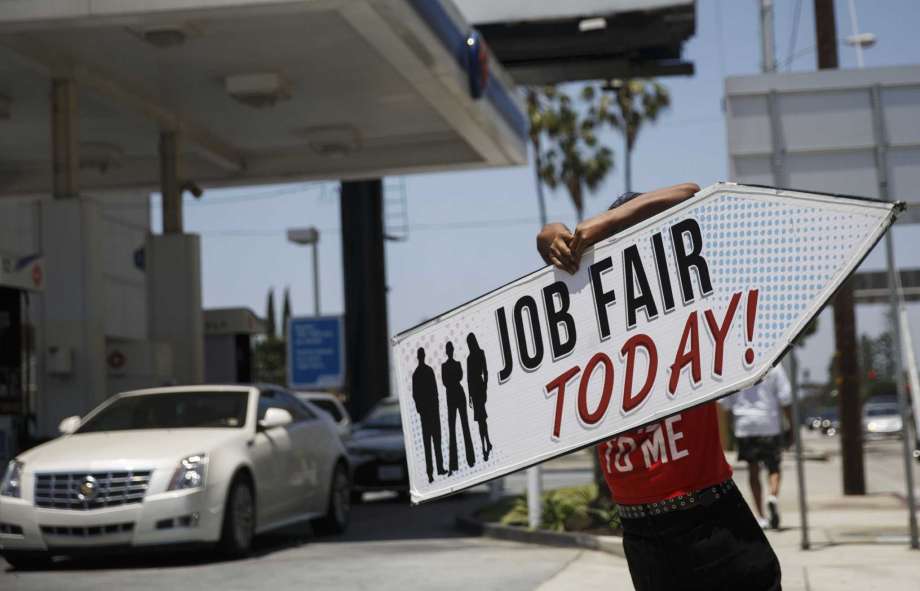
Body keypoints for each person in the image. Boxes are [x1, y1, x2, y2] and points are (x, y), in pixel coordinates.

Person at [537, 183, 781, 591]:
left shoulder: (684, 309)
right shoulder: (588, 327)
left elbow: (690, 193)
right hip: (643, 538)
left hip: (712, 524)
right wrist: (549, 232)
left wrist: (609, 221)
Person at [719, 365, 792, 529]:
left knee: (753, 470)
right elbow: (785, 397)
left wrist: (729, 431)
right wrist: (791, 425)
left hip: (745, 425)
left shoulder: (735, 366)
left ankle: (760, 516)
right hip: (769, 423)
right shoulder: (773, 364)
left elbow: (725, 403)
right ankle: (772, 496)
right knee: (774, 466)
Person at [411, 347, 446, 483]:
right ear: (421, 356)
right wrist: (421, 409)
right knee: (430, 443)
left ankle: (438, 469)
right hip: (427, 412)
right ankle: (432, 471)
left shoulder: (423, 372)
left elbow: (434, 391)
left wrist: (433, 408)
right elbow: (416, 394)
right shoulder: (420, 373)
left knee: (435, 441)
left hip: (431, 411)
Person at [442, 341, 475, 473]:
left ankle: (470, 459)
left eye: (450, 349)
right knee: (453, 429)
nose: (449, 351)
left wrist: (452, 381)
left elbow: (458, 377)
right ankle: (454, 464)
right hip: (453, 395)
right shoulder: (446, 366)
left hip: (456, 394)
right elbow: (447, 381)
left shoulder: (456, 364)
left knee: (464, 426)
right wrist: (453, 380)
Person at [465, 332, 493, 461]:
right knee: (482, 419)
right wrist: (485, 387)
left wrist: (471, 395)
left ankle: (485, 445)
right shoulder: (477, 354)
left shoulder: (471, 358)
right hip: (479, 388)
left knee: (481, 419)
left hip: (477, 389)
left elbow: (470, 379)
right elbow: (484, 372)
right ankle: (486, 443)